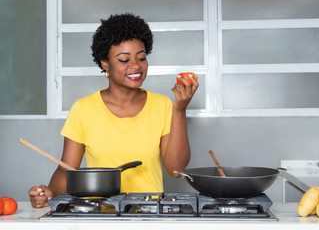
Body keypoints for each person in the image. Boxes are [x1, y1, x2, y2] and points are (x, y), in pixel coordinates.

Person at [28, 13, 198, 208]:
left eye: (141, 58)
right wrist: (49, 193)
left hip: (150, 213)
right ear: (105, 64)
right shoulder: (83, 109)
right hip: (101, 214)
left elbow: (176, 169)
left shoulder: (163, 106)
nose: (136, 66)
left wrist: (179, 111)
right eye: (124, 60)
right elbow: (66, 169)